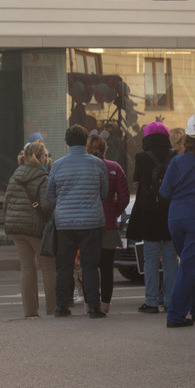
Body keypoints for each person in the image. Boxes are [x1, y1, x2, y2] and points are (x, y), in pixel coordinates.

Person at [46, 125, 109, 318]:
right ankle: (94, 307)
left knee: (64, 265)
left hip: (65, 224)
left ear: (67, 142)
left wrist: (63, 207)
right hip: (91, 222)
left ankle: (61, 306)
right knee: (90, 265)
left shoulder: (57, 165)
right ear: (85, 141)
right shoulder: (97, 164)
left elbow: (50, 196)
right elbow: (104, 193)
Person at [160, 112, 195, 328]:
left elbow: (165, 191)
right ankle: (176, 316)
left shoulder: (177, 160)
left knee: (188, 263)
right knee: (190, 266)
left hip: (175, 216)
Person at [128, 121, 178, 314]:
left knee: (150, 260)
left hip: (149, 215)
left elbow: (136, 183)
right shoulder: (175, 156)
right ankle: (169, 301)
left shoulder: (141, 157)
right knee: (170, 259)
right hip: (170, 213)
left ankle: (151, 301)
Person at [5, 141, 56, 317]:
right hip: (36, 228)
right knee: (49, 268)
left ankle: (30, 311)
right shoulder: (43, 177)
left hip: (15, 228)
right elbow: (46, 205)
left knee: (27, 268)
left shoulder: (15, 175)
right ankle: (52, 309)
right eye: (46, 156)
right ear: (41, 157)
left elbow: (6, 203)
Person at [86, 130, 129, 315]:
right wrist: (113, 211)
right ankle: (105, 305)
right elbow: (124, 197)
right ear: (105, 148)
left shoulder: (84, 167)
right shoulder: (115, 167)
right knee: (106, 267)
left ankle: (90, 304)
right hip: (109, 224)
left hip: (87, 224)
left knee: (89, 266)